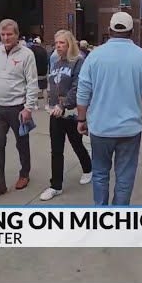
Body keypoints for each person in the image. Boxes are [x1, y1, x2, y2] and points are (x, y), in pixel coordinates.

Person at [76, 12, 142, 206]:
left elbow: (83, 90)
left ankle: (101, 212)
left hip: (100, 127)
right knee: (125, 177)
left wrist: (81, 119)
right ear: (131, 32)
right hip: (129, 130)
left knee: (99, 173)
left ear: (109, 30)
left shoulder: (94, 56)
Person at [0, 19, 38, 201]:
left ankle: (24, 174)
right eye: (3, 35)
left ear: (17, 34)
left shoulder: (27, 54)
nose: (6, 38)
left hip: (18, 108)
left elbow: (32, 82)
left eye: (10, 34)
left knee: (22, 143)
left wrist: (28, 107)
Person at [40, 30, 92, 201]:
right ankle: (56, 185)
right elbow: (53, 86)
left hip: (71, 113)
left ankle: (88, 168)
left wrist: (63, 105)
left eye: (62, 43)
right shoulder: (55, 63)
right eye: (56, 43)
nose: (58, 46)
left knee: (77, 144)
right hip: (55, 113)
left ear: (70, 44)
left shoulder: (79, 62)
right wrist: (50, 102)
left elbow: (78, 88)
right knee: (56, 150)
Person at [30, 37, 50, 111]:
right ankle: (46, 105)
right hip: (42, 72)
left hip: (33, 72)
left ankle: (35, 105)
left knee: (34, 89)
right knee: (44, 89)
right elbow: (47, 61)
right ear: (40, 43)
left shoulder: (30, 50)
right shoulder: (44, 51)